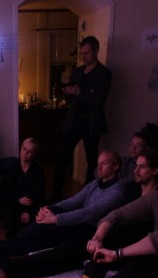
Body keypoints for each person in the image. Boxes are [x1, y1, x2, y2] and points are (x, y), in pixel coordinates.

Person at [0, 149, 125, 278]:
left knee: (55, 250)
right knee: (40, 237)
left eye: (104, 164)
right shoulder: (95, 183)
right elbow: (75, 200)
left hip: (92, 232)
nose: (99, 167)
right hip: (79, 225)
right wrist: (50, 209)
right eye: (98, 163)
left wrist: (57, 218)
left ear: (115, 166)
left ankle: (9, 261)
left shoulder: (117, 192)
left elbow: (89, 212)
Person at [51, 36, 112, 199]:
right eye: (82, 53)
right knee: (62, 156)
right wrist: (66, 92)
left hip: (91, 123)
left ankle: (87, 195)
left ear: (96, 51)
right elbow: (72, 95)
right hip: (74, 120)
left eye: (86, 53)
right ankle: (56, 193)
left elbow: (99, 100)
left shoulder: (104, 74)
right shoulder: (78, 71)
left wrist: (79, 92)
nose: (83, 57)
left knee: (92, 160)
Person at [0, 137, 45, 238]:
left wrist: (28, 211)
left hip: (31, 204)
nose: (25, 153)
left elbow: (39, 193)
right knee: (8, 215)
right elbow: (6, 190)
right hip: (15, 201)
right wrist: (18, 199)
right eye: (24, 149)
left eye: (29, 152)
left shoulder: (38, 170)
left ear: (34, 155)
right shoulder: (12, 167)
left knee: (40, 216)